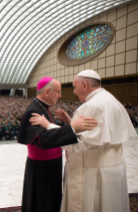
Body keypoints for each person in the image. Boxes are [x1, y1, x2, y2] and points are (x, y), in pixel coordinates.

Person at [30, 70, 138, 212]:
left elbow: (77, 144)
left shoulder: (91, 106)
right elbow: (93, 134)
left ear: (85, 85)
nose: (74, 92)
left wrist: (48, 125)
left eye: (75, 87)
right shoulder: (110, 99)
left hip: (93, 173)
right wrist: (70, 121)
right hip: (112, 170)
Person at [18, 76, 97, 212]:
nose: (60, 96)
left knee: (52, 200)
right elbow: (43, 140)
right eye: (58, 92)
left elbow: (50, 130)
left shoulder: (42, 107)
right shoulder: (34, 110)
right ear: (47, 92)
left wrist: (67, 123)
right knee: (43, 203)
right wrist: (71, 127)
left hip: (49, 165)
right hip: (42, 168)